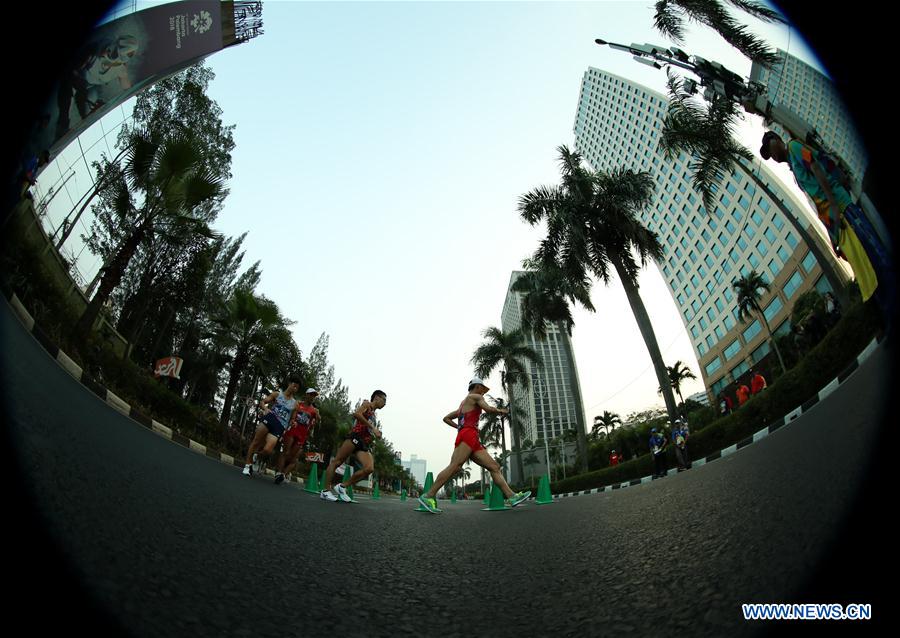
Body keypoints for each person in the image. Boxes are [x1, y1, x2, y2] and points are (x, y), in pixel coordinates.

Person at [760, 131, 886, 309]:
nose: (771, 155)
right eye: (767, 154)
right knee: (865, 266)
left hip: (843, 209)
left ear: (777, 140)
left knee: (873, 256)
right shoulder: (794, 170)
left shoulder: (794, 147)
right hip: (836, 221)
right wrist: (832, 234)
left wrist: (834, 205)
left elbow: (816, 168)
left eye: (769, 147)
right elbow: (817, 202)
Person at [417, 377, 530, 513]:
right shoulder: (476, 397)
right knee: (455, 466)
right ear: (477, 387)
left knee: (494, 467)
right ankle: (428, 495)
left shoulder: (462, 405)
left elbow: (446, 418)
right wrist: (501, 411)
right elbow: (488, 409)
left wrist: (460, 427)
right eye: (483, 389)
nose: (483, 393)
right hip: (469, 434)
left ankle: (511, 496)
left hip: (470, 436)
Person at [320, 390, 387, 502]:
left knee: (369, 468)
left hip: (363, 444)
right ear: (376, 397)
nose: (385, 404)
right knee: (337, 462)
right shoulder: (367, 404)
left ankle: (342, 486)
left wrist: (376, 434)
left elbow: (368, 428)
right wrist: (372, 428)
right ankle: (325, 491)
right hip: (355, 437)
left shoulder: (374, 414)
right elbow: (357, 414)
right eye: (384, 400)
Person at [242, 376, 301, 477]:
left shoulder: (295, 404)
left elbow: (292, 418)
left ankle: (256, 456)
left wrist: (292, 422)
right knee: (256, 442)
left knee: (268, 450)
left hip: (280, 426)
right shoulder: (277, 394)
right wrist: (265, 409)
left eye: (297, 388)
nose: (294, 388)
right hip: (269, 419)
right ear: (289, 384)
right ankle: (247, 466)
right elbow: (262, 402)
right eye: (294, 385)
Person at [274, 388, 320, 485]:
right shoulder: (298, 404)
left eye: (314, 396)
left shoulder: (314, 410)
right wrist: (292, 421)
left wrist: (318, 416)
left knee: (292, 457)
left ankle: (283, 474)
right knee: (285, 452)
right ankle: (278, 473)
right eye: (311, 395)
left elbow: (316, 422)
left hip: (302, 435)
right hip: (292, 431)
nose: (312, 397)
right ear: (306, 394)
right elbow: (292, 415)